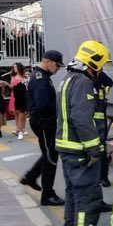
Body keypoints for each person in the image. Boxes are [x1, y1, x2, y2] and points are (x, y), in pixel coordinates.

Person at [55, 40, 113, 226]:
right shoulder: (83, 82)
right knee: (88, 198)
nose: (102, 69)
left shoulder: (68, 79)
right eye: (102, 64)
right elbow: (81, 119)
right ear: (95, 62)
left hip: (68, 149)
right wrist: (93, 150)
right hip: (81, 152)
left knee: (73, 194)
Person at [19, 51, 65, 206]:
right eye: (57, 65)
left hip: (43, 122)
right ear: (47, 61)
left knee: (49, 153)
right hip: (44, 122)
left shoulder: (42, 76)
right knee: (51, 157)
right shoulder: (40, 79)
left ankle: (30, 177)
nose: (58, 68)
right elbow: (42, 105)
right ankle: (48, 195)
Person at [93, 69, 113, 188]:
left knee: (101, 148)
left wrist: (99, 76)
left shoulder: (98, 75)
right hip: (86, 119)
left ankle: (103, 177)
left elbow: (110, 82)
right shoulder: (82, 79)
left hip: (99, 119)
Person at [7, 62, 27, 140]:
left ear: (19, 68)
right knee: (16, 112)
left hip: (21, 96)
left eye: (16, 67)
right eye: (14, 67)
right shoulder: (13, 76)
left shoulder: (24, 76)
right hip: (14, 95)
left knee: (22, 113)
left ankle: (22, 128)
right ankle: (18, 128)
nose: (14, 68)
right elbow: (11, 87)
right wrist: (6, 83)